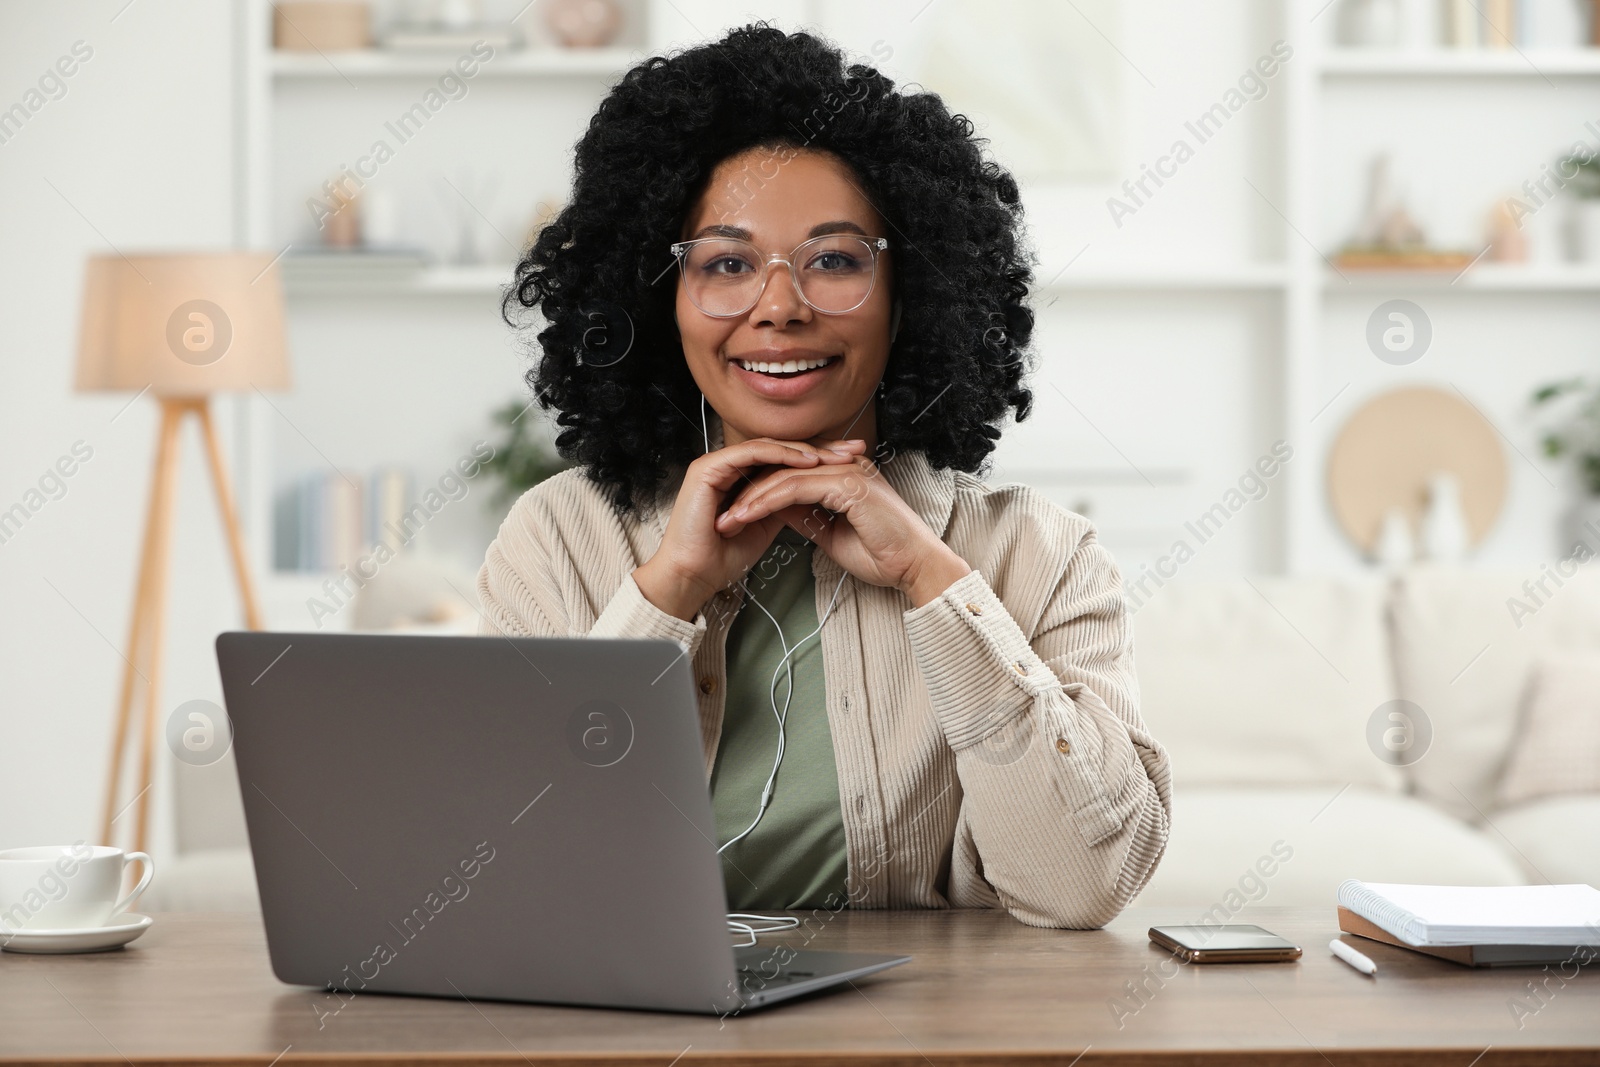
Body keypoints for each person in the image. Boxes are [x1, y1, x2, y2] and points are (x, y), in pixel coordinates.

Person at [478, 25, 1170, 928]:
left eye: (835, 261)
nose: (779, 307)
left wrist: (934, 581)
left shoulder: (1042, 553)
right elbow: (517, 875)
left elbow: (1081, 886)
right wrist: (670, 591)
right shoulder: (559, 539)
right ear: (661, 300)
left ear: (910, 292)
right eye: (726, 263)